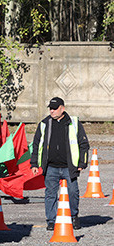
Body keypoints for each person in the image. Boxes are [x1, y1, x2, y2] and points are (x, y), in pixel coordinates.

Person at [30, 97, 89, 231]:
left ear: (62, 108)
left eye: (55, 108)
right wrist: (34, 164)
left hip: (69, 167)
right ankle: (51, 220)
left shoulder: (74, 123)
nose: (52, 111)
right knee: (50, 194)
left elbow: (83, 144)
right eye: (50, 108)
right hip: (51, 167)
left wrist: (82, 163)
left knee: (73, 192)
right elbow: (36, 145)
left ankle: (74, 216)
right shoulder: (44, 124)